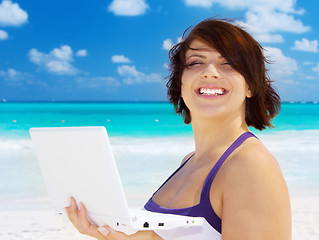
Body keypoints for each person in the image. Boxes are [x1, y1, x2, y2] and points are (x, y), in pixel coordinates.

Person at [65, 18, 291, 240]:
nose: (210, 72)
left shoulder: (250, 165)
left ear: (251, 86)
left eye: (228, 63)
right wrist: (111, 234)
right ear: (181, 83)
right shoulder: (189, 161)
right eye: (195, 62)